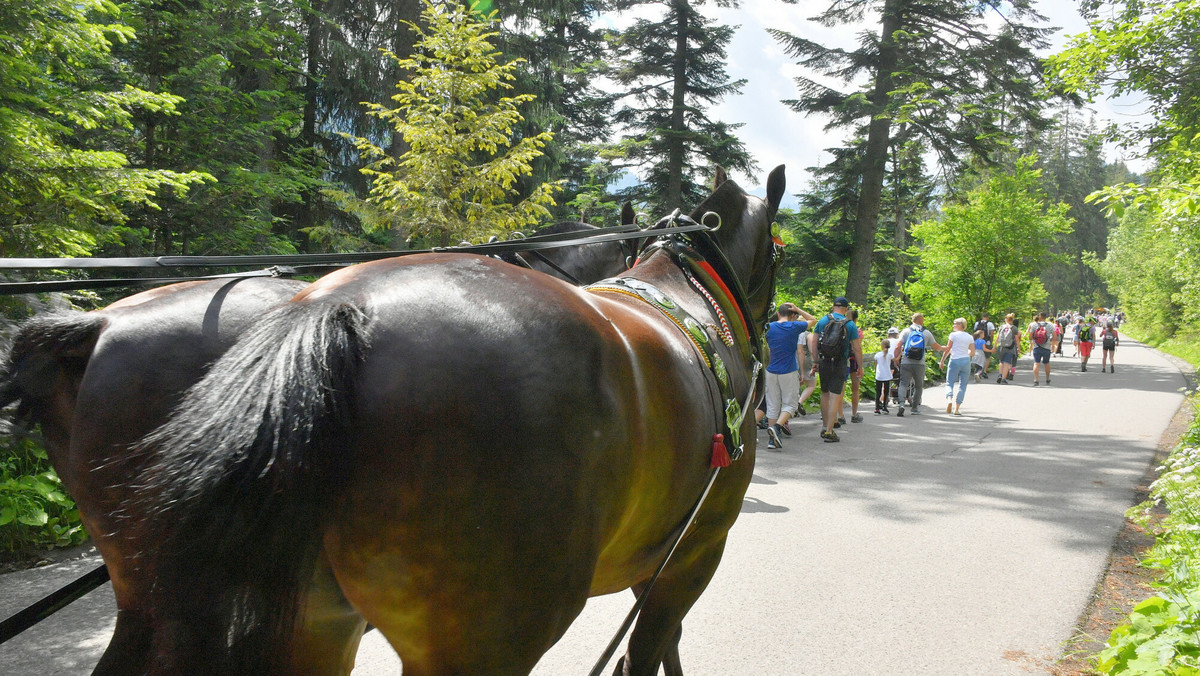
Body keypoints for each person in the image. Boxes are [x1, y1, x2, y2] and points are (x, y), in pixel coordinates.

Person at [756, 302, 817, 450]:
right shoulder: (794, 327)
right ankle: (776, 427)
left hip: (771, 370)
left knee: (772, 404)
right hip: (788, 370)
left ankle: (772, 441)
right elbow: (813, 320)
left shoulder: (768, 327)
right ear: (792, 315)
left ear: (778, 314)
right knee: (791, 404)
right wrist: (798, 309)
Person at [810, 297, 862, 443]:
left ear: (833, 307)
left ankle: (824, 425)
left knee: (825, 394)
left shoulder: (822, 321)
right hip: (840, 363)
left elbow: (814, 342)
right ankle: (829, 431)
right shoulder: (850, 324)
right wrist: (860, 367)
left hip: (824, 361)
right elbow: (857, 348)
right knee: (835, 396)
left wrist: (815, 361)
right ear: (846, 309)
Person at [892, 313, 944, 416]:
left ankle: (901, 404)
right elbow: (937, 347)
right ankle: (914, 408)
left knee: (903, 383)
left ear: (912, 320)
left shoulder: (906, 331)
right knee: (918, 386)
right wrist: (947, 348)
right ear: (921, 320)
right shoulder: (926, 333)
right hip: (920, 363)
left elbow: (898, 346)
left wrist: (896, 359)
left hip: (906, 362)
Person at [939, 318, 976, 415]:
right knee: (962, 385)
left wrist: (942, 361)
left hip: (954, 360)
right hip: (965, 361)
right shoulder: (969, 337)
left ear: (960, 325)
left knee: (949, 382)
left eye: (955, 324)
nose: (953, 326)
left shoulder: (953, 335)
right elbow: (972, 353)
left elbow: (948, 349)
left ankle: (949, 399)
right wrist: (966, 352)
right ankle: (957, 408)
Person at [1027, 313, 1055, 385]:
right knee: (1046, 363)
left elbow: (1030, 336)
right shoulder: (1050, 325)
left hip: (1037, 347)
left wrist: (1034, 340)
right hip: (1046, 348)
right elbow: (1055, 336)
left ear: (1039, 317)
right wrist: (1050, 341)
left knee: (1036, 363)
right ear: (1046, 317)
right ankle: (1047, 378)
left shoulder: (1034, 325)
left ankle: (1036, 380)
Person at [796, 326, 817, 416]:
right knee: (811, 385)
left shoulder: (793, 333)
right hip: (806, 359)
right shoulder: (808, 335)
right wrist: (815, 361)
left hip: (794, 359)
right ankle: (799, 402)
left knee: (798, 383)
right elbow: (812, 350)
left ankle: (792, 405)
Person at [994, 313, 1020, 383]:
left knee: (1001, 362)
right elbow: (1017, 339)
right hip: (1010, 347)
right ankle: (1003, 379)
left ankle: (1000, 375)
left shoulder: (1002, 327)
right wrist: (1018, 348)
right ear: (1012, 320)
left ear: (1006, 319)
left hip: (1001, 347)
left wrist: (994, 347)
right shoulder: (1014, 328)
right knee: (1007, 363)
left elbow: (997, 337)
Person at [873, 337, 893, 414]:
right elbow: (894, 360)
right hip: (887, 375)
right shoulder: (890, 355)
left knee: (878, 392)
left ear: (881, 345)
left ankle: (877, 408)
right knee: (886, 392)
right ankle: (885, 406)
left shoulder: (877, 355)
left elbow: (876, 364)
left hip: (879, 375)